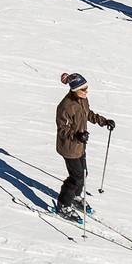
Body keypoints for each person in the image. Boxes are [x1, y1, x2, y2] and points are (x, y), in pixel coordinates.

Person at [54, 72, 115, 220]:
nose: (87, 91)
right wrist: (76, 136)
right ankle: (63, 204)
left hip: (80, 145)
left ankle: (75, 197)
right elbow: (62, 130)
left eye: (87, 88)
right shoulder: (65, 106)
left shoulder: (82, 100)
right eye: (84, 89)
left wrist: (104, 121)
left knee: (83, 173)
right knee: (76, 177)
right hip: (69, 147)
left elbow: (87, 114)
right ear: (75, 89)